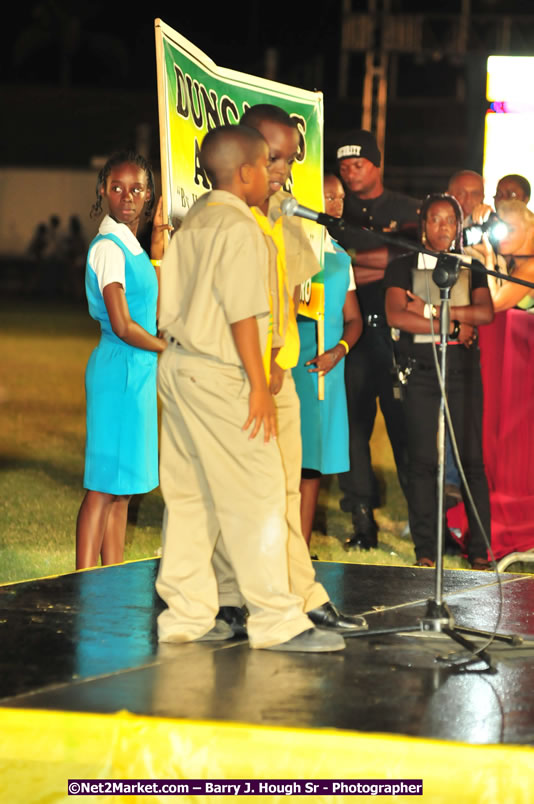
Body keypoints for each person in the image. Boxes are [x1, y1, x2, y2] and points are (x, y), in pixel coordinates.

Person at [156, 125, 344, 652]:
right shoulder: (239, 228)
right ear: (245, 173)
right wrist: (258, 386)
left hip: (181, 365)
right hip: (224, 372)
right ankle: (277, 621)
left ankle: (185, 616)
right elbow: (243, 313)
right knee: (259, 495)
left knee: (192, 500)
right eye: (267, 167)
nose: (273, 177)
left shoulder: (192, 222)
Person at [213, 105, 367, 636]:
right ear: (247, 156)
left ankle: (296, 594)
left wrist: (285, 218)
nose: (282, 169)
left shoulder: (275, 216)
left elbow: (301, 282)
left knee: (281, 493)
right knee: (239, 495)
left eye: (288, 159)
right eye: (274, 158)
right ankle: (243, 596)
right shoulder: (228, 219)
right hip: (241, 378)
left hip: (281, 379)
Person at [384, 193, 494, 568]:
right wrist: (455, 323)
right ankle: (426, 549)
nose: (443, 227)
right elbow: (397, 315)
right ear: (423, 223)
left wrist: (430, 310)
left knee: (471, 461)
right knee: (423, 462)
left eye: (450, 220)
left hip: (462, 372)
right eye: (435, 219)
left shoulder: (470, 266)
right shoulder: (402, 265)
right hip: (421, 372)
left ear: (459, 226)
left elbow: (485, 312)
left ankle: (479, 549)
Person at [76, 151, 167, 570]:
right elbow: (124, 323)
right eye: (117, 188)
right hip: (121, 369)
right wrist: (171, 349)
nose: (127, 197)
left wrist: (160, 248)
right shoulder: (109, 247)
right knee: (102, 486)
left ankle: (111, 578)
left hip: (139, 370)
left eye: (136, 189)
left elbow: (153, 305)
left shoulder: (131, 244)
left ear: (148, 195)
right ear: (102, 191)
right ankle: (82, 580)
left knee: (123, 488)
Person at [334, 129, 419, 549]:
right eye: (344, 166)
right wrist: (379, 262)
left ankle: (424, 524)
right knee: (353, 429)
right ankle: (362, 522)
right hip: (351, 335)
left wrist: (354, 262)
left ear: (377, 163)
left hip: (398, 335)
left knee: (406, 430)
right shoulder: (332, 207)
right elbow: (330, 267)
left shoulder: (406, 209)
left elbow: (408, 262)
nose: (350, 173)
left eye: (358, 164)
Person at [292, 174, 362, 546]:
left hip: (330, 368)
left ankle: (300, 552)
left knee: (313, 465)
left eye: (339, 198)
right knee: (288, 462)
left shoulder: (340, 254)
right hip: (294, 364)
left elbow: (354, 319)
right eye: (327, 196)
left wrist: (340, 351)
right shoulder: (291, 244)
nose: (335, 204)